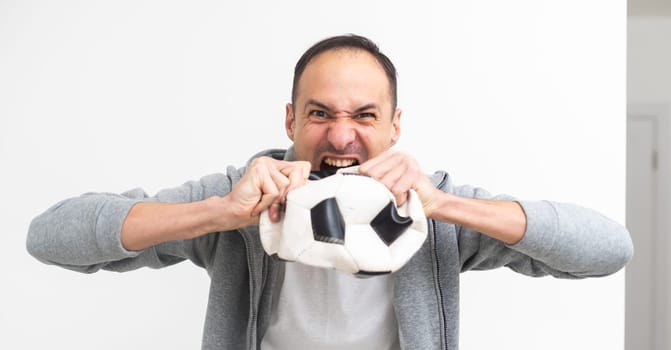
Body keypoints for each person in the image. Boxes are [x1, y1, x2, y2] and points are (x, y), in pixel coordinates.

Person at [26, 34, 633, 350]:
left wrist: (444, 205)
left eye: (365, 116)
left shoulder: (431, 206)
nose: (340, 135)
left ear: (395, 127)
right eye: (319, 113)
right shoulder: (242, 197)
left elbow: (609, 251)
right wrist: (216, 212)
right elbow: (50, 238)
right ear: (290, 121)